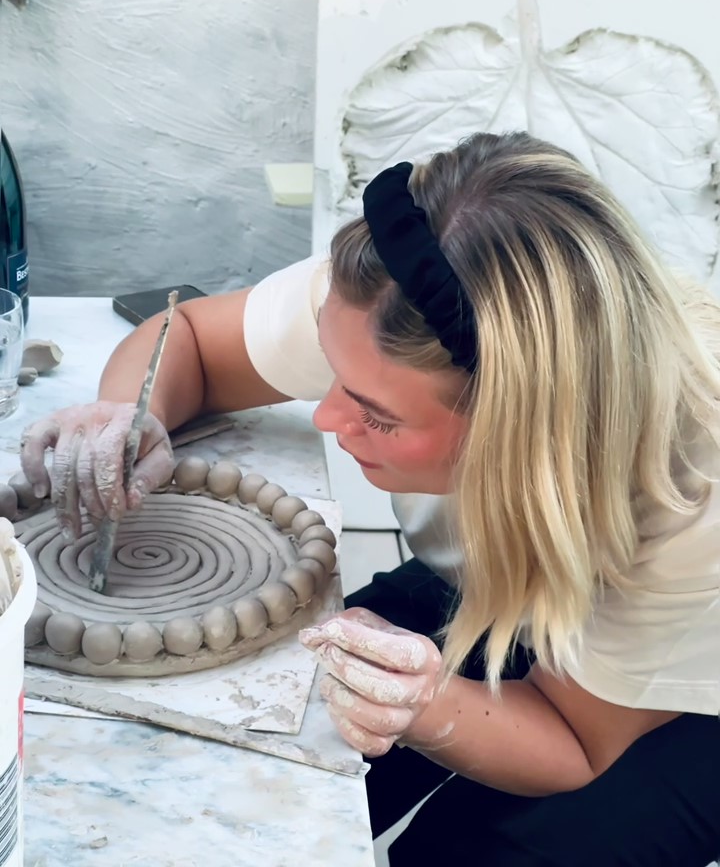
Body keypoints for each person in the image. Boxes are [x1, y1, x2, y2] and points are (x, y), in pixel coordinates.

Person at [21, 132, 720, 867]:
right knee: (283, 750)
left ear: (517, 431)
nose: (325, 419)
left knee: (464, 853)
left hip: (681, 690)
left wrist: (426, 706)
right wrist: (128, 416)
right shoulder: (403, 298)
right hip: (513, 574)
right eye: (332, 373)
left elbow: (577, 743)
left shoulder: (693, 491)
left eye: (375, 416)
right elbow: (189, 336)